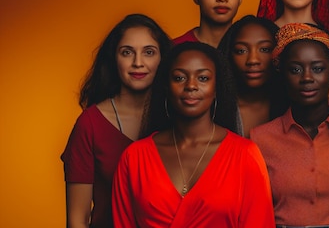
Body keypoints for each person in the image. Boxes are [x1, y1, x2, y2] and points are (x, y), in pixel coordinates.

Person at [112, 42, 275, 227]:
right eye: (180, 78)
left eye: (203, 78)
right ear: (166, 87)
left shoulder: (245, 155)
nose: (191, 85)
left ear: (216, 88)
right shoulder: (134, 158)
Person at [250, 23, 329, 227]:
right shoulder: (259, 139)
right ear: (282, 74)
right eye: (296, 69)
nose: (307, 78)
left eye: (317, 68)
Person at [62, 13, 171, 228]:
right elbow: (77, 220)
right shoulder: (90, 124)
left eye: (149, 52)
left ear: (164, 59)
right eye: (127, 52)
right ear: (114, 59)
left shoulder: (176, 119)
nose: (138, 62)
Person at [217, 15, 288, 137]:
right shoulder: (214, 110)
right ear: (228, 55)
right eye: (241, 51)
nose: (253, 60)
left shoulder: (292, 107)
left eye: (265, 49)